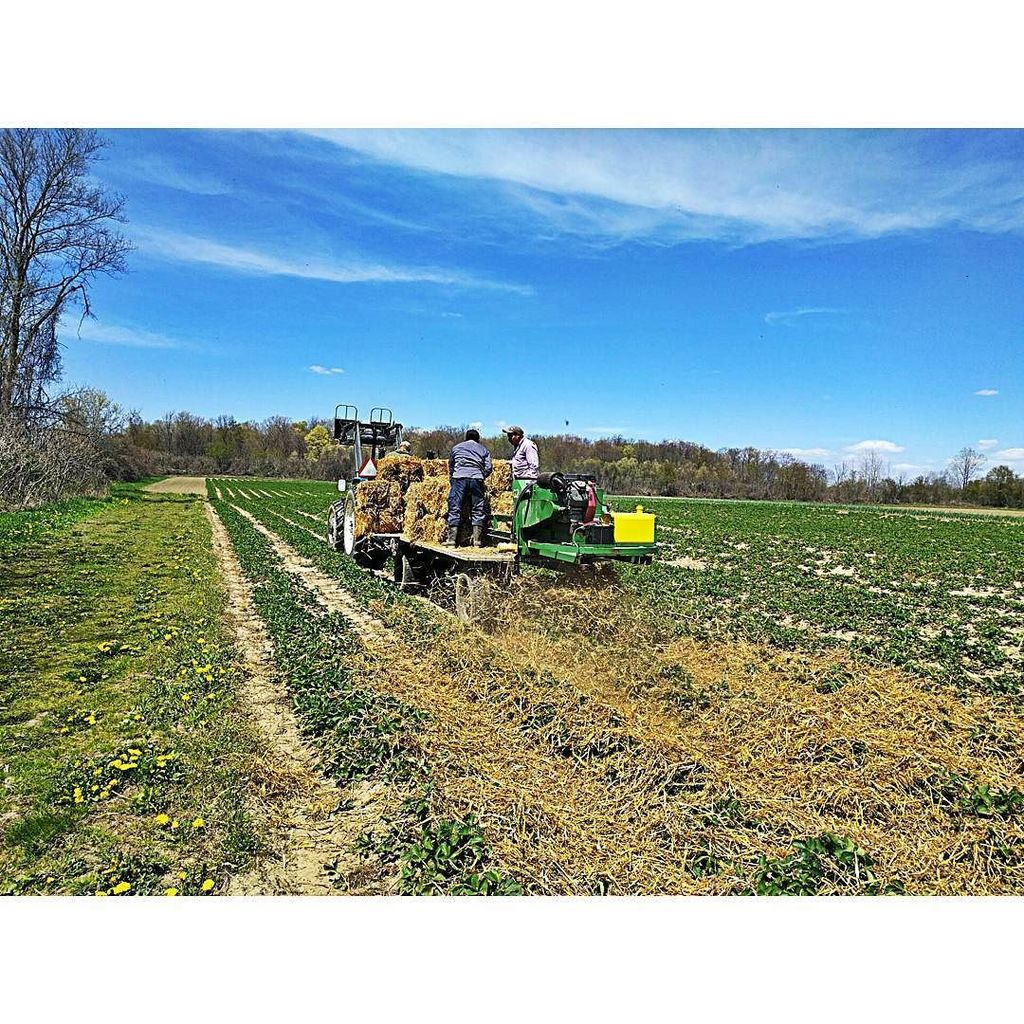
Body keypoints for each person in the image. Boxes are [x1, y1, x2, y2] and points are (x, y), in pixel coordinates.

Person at [447, 428, 492, 547]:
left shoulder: (457, 447)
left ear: (466, 438)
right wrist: (481, 475)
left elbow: (451, 464)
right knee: (478, 508)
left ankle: (451, 540)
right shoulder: (483, 449)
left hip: (459, 478)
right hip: (476, 479)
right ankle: (477, 541)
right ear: (478, 439)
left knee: (455, 506)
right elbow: (488, 467)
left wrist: (452, 477)